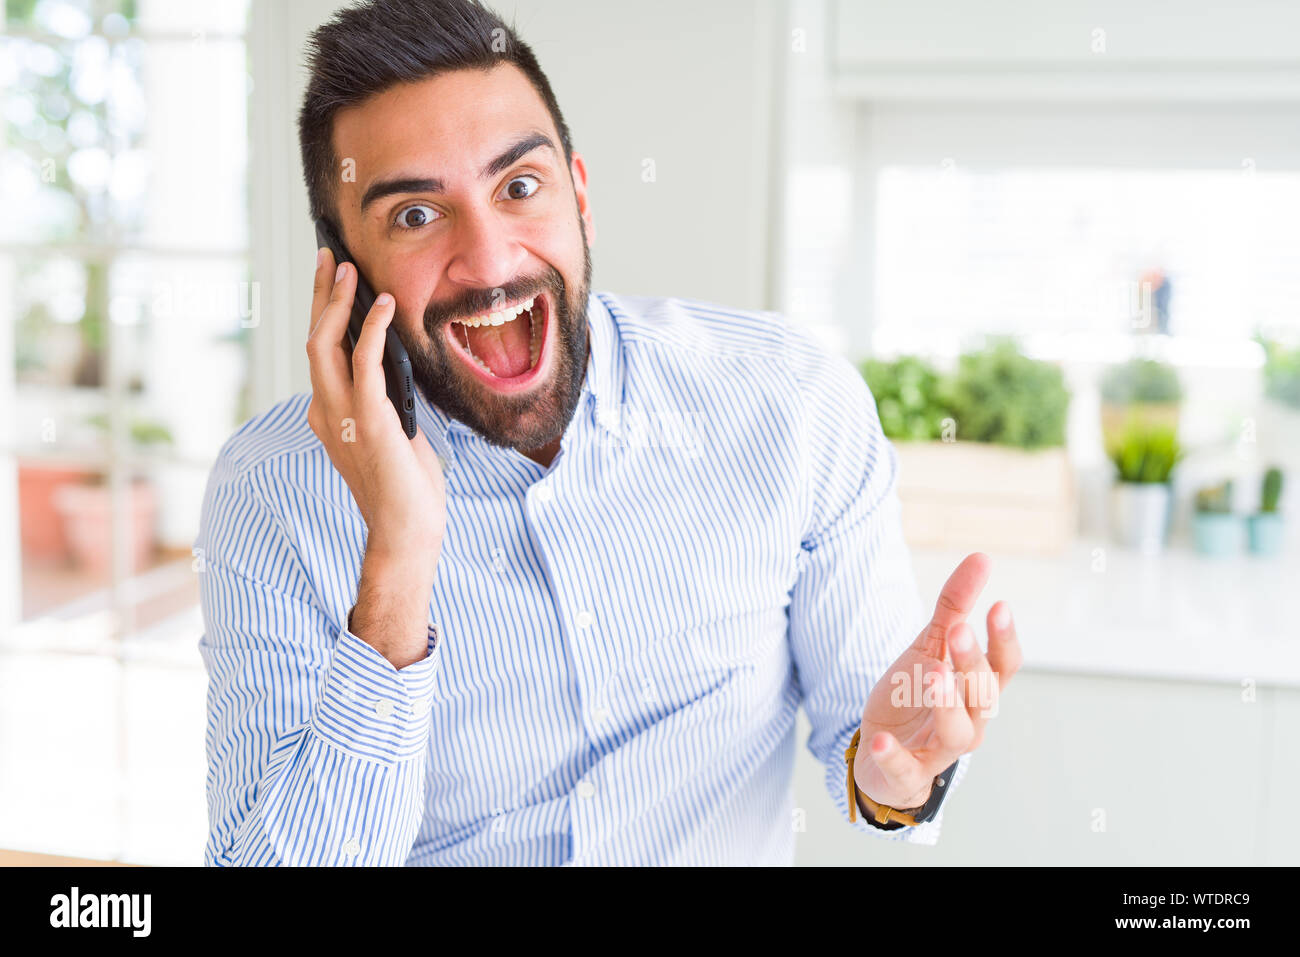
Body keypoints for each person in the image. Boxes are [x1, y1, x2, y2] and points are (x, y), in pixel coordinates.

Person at [195, 0, 1022, 866]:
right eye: (415, 215)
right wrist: (397, 564)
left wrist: (899, 775)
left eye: (519, 187)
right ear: (347, 275)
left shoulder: (790, 402)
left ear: (579, 196)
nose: (490, 260)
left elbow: (875, 749)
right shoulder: (271, 492)